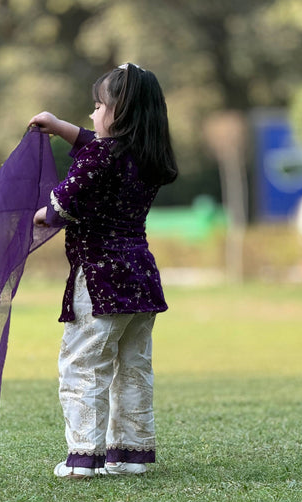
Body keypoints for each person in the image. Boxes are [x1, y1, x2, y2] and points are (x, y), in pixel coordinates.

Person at [29, 63, 179, 479]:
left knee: (83, 365)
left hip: (99, 280)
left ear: (122, 114)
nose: (92, 114)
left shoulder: (101, 156)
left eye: (98, 105)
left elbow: (63, 206)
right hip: (140, 280)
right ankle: (132, 454)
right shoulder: (147, 156)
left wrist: (32, 216)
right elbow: (101, 148)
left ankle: (83, 458)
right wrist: (61, 127)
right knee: (133, 368)